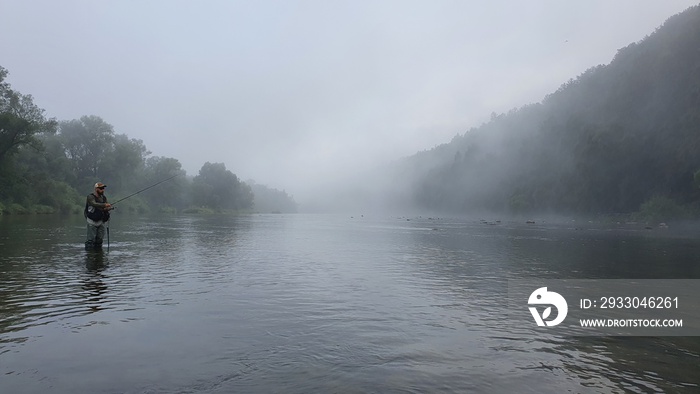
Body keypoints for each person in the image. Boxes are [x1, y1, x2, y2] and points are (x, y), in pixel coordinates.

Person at [84, 182, 113, 249]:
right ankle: (89, 255)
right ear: (96, 189)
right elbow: (94, 204)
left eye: (103, 188)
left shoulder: (104, 198)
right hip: (91, 220)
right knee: (90, 241)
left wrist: (108, 208)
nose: (102, 190)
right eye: (101, 188)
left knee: (99, 241)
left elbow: (104, 208)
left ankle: (98, 256)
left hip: (101, 221)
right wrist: (104, 205)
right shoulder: (90, 197)